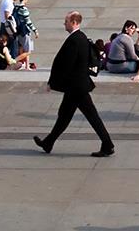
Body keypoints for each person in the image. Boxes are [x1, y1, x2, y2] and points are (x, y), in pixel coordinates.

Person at [34, 10, 115, 157]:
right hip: (77, 85)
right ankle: (48, 142)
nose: (64, 24)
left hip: (76, 87)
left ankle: (108, 144)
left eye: (66, 21)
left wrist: (53, 82)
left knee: (91, 116)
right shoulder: (81, 37)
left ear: (74, 22)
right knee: (64, 115)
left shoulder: (74, 40)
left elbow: (66, 65)